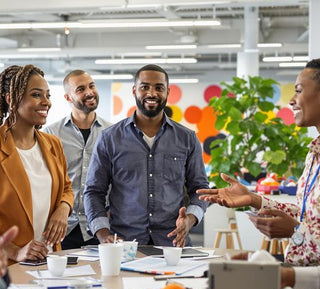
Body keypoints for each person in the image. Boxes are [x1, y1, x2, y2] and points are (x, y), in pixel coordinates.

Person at [197, 58, 320, 266]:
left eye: (298, 90)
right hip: (303, 278)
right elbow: (307, 216)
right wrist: (253, 199)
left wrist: (295, 232)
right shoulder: (314, 153)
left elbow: (301, 227)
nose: (291, 100)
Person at [84, 64, 209, 247]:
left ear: (168, 92)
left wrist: (189, 220)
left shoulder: (187, 138)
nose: (152, 93)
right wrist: (102, 234)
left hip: (173, 244)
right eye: (145, 87)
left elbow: (200, 189)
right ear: (134, 90)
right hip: (124, 244)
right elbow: (94, 191)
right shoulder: (109, 138)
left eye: (159, 88)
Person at [0, 64, 74, 263]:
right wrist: (15, 251)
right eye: (36, 95)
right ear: (11, 99)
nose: (46, 102)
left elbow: (66, 188)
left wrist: (63, 209)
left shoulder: (52, 144)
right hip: (9, 266)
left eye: (48, 95)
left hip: (51, 260)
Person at [44, 70, 112, 249]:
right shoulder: (51, 134)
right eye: (80, 89)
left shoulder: (112, 133)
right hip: (63, 227)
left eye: (91, 86)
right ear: (68, 97)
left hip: (102, 227)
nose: (89, 92)